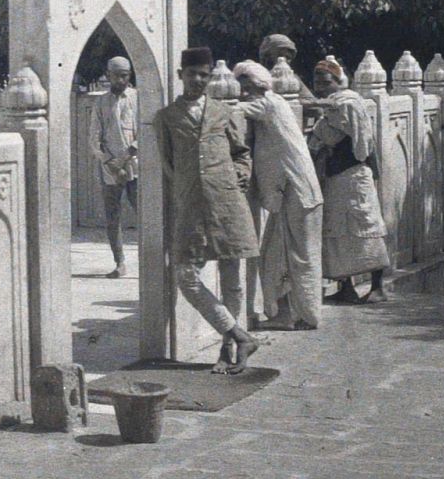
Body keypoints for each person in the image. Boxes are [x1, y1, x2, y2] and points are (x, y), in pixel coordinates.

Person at [158, 46, 262, 373]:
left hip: (227, 203)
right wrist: (189, 190)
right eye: (192, 74)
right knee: (186, 278)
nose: (198, 80)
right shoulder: (167, 117)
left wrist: (236, 182)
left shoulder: (224, 112)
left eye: (204, 75)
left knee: (232, 280)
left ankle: (228, 351)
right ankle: (238, 333)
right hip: (190, 206)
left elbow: (242, 153)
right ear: (180, 76)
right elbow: (168, 164)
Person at [235, 60, 324, 330]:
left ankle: (298, 315)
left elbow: (229, 109)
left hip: (295, 192)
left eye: (247, 87)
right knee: (285, 253)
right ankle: (292, 313)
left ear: (259, 85)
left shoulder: (267, 103)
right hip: (295, 191)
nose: (243, 93)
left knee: (291, 255)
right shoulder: (275, 103)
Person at [308, 57, 392, 302]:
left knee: (367, 227)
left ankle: (378, 286)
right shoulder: (332, 107)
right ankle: (347, 288)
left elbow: (348, 138)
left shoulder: (347, 104)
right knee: (338, 231)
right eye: (317, 81)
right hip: (337, 178)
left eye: (326, 81)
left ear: (337, 81)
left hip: (355, 175)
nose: (321, 86)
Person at [90, 55, 141, 278]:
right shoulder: (101, 102)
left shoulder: (137, 98)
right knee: (113, 216)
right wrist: (111, 163)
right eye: (116, 75)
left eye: (125, 75)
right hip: (110, 168)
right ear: (108, 75)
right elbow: (94, 137)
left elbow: (144, 132)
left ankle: (151, 260)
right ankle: (119, 262)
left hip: (135, 165)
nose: (121, 80)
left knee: (145, 213)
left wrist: (125, 159)